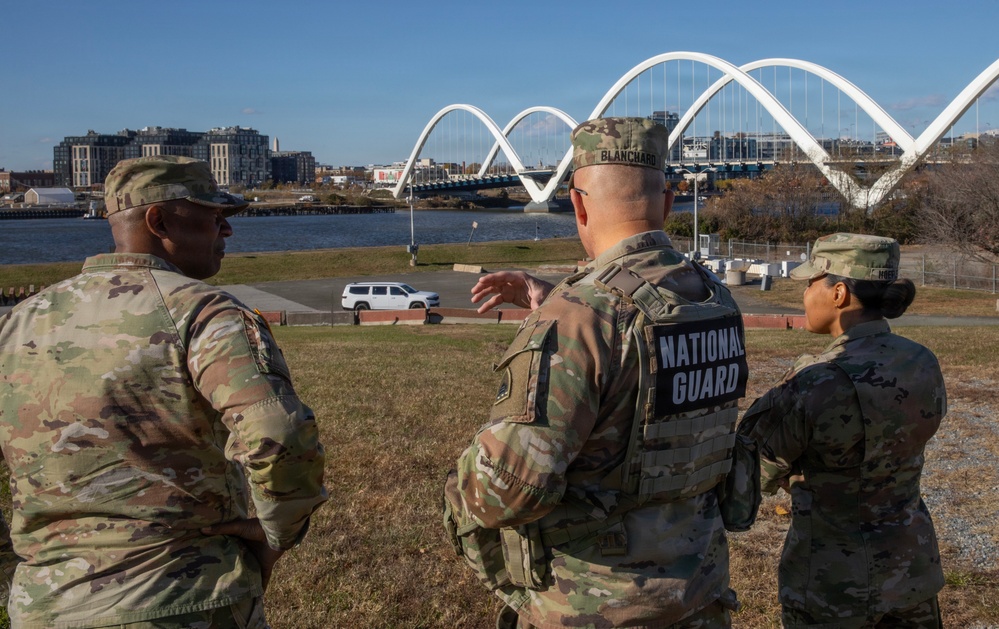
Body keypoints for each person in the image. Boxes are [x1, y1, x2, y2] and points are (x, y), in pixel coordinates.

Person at [444, 117, 748, 628]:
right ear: (669, 202)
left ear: (578, 204)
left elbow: (506, 491)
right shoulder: (714, 300)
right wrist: (559, 306)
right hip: (699, 594)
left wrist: (458, 483)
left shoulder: (583, 316)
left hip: (598, 604)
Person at [0, 155, 328, 628]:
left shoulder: (20, 321)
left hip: (45, 607)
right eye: (214, 216)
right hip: (183, 600)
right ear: (158, 221)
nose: (227, 231)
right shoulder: (202, 313)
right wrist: (277, 532)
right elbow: (280, 431)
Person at [741, 233, 947, 628]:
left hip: (832, 585)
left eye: (809, 284)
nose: (804, 295)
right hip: (913, 571)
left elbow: (751, 473)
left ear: (838, 293)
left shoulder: (815, 381)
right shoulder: (921, 361)